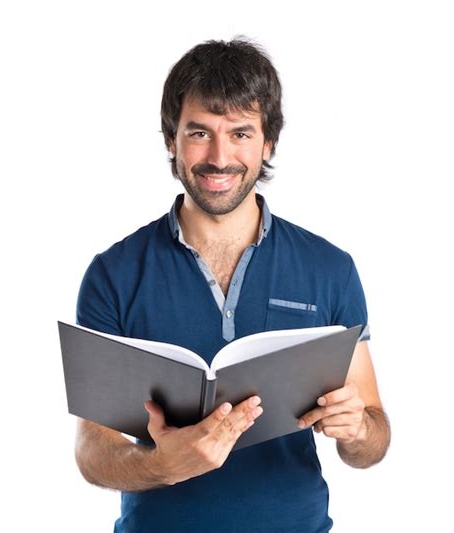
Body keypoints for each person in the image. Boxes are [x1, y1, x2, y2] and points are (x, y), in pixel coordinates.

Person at [74, 38, 391, 532]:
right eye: (199, 132)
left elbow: (373, 438)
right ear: (171, 140)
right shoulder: (112, 274)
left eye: (240, 133)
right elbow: (92, 449)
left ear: (268, 143)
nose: (219, 158)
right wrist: (160, 467)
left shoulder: (331, 269)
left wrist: (355, 430)